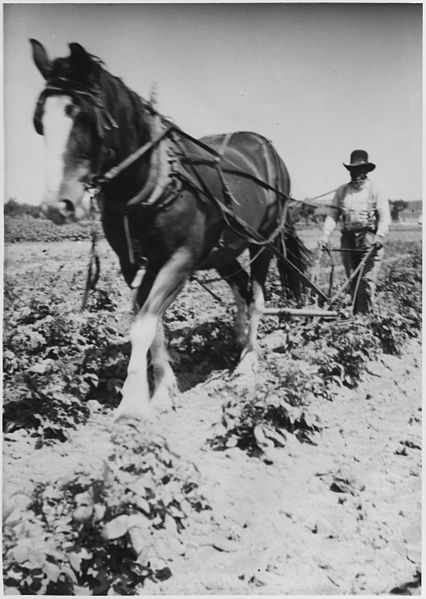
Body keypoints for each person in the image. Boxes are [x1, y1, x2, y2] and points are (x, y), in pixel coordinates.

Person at [320, 149, 391, 314]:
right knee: (352, 278)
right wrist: (325, 235)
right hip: (348, 239)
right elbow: (332, 215)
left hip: (369, 239)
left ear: (366, 170)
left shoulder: (375, 189)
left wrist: (380, 236)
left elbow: (385, 217)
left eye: (359, 170)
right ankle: (356, 315)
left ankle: (365, 317)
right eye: (352, 170)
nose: (356, 173)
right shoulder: (342, 190)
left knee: (366, 280)